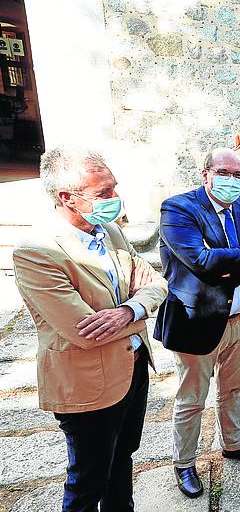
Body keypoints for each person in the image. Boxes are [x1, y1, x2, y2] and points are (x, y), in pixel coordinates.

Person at [12, 146, 168, 511]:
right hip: (88, 383)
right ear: (67, 197)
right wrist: (140, 311)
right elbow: (83, 330)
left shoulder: (110, 231)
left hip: (132, 369)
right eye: (104, 192)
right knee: (88, 480)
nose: (115, 198)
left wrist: (128, 310)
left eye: (114, 187)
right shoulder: (37, 251)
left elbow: (155, 282)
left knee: (123, 458)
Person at [155, 148, 240, 498]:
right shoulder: (178, 209)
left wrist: (234, 261)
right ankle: (184, 463)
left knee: (232, 389)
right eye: (225, 172)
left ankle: (233, 443)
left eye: (239, 175)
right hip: (197, 320)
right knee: (192, 398)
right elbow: (200, 261)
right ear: (205, 174)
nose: (233, 181)